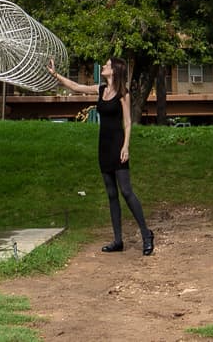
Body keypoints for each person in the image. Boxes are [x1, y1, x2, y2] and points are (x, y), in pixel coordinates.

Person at [49, 55, 154, 255]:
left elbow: (128, 122)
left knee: (126, 191)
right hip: (103, 147)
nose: (104, 67)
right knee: (111, 194)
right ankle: (118, 241)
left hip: (118, 147)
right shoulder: (100, 89)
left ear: (114, 70)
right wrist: (56, 75)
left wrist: (126, 146)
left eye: (106, 65)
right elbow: (76, 87)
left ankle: (146, 234)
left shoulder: (123, 93)